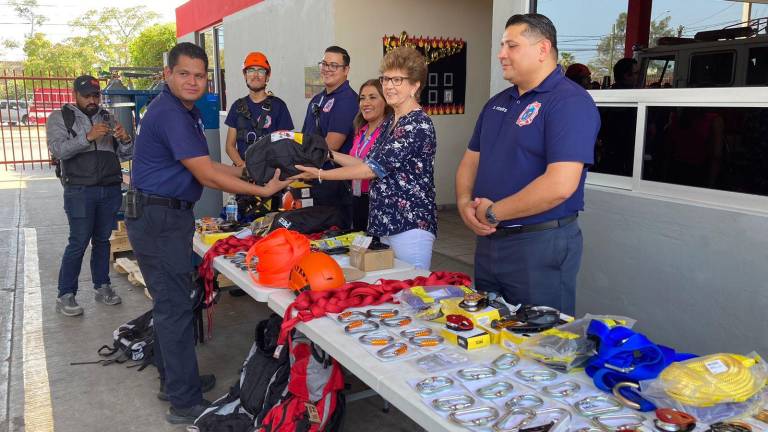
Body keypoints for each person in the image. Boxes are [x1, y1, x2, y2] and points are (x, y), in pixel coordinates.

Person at [126, 42, 290, 424]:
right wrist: (262, 190)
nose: (193, 81)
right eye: (184, 73)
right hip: (158, 219)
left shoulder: (185, 113)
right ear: (168, 75)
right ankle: (183, 401)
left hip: (166, 217)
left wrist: (252, 172)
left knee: (174, 304)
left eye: (200, 75)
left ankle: (176, 381)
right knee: (175, 307)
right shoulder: (170, 113)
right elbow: (207, 175)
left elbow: (210, 163)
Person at [455, 13, 600, 315]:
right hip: (491, 241)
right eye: (502, 45)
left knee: (541, 345)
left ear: (542, 49)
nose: (501, 54)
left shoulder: (569, 102)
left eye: (512, 45)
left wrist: (494, 212)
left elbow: (560, 186)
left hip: (539, 244)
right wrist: (464, 203)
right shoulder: (498, 102)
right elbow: (471, 160)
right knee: (488, 329)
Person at [294, 46, 437, 269]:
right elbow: (365, 161)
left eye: (397, 80)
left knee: (411, 292)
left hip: (409, 226)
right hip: (384, 225)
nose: (389, 86)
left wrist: (322, 173)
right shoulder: (391, 122)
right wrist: (329, 154)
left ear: (415, 85)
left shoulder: (417, 123)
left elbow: (371, 169)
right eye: (386, 79)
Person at [47, 75, 133, 317]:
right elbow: (58, 150)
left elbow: (126, 154)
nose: (93, 100)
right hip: (79, 189)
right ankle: (65, 294)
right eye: (87, 96)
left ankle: (102, 286)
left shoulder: (108, 117)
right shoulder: (60, 117)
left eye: (96, 95)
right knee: (78, 241)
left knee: (103, 240)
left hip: (109, 187)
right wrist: (87, 137)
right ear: (75, 95)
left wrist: (125, 139)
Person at [301, 46, 359, 228]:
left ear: (346, 70)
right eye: (325, 64)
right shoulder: (317, 99)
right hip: (314, 179)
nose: (327, 69)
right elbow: (303, 139)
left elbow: (330, 145)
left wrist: (303, 164)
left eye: (334, 65)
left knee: (332, 236)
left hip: (335, 185)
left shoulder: (347, 100)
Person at [224, 52, 293, 167]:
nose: (255, 75)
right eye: (251, 70)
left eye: (261, 71)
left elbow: (286, 144)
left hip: (270, 174)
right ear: (245, 75)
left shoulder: (279, 106)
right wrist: (243, 167)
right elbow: (229, 146)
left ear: (267, 76)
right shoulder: (237, 106)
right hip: (243, 173)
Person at [348, 79, 392, 231]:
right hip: (357, 197)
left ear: (385, 101)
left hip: (377, 201)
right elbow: (354, 161)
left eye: (373, 97)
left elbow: (369, 167)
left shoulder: (388, 132)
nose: (365, 103)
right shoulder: (360, 130)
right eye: (362, 98)